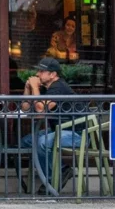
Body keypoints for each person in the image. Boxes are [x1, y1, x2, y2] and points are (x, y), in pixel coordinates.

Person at [20, 56, 77, 194]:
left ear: (52, 74)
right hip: (58, 130)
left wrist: (34, 87)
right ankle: (61, 169)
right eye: (38, 71)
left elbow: (40, 108)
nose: (37, 74)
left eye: (41, 71)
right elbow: (26, 108)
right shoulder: (46, 88)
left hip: (77, 133)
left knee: (42, 142)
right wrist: (28, 88)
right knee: (27, 141)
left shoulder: (59, 87)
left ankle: (54, 177)